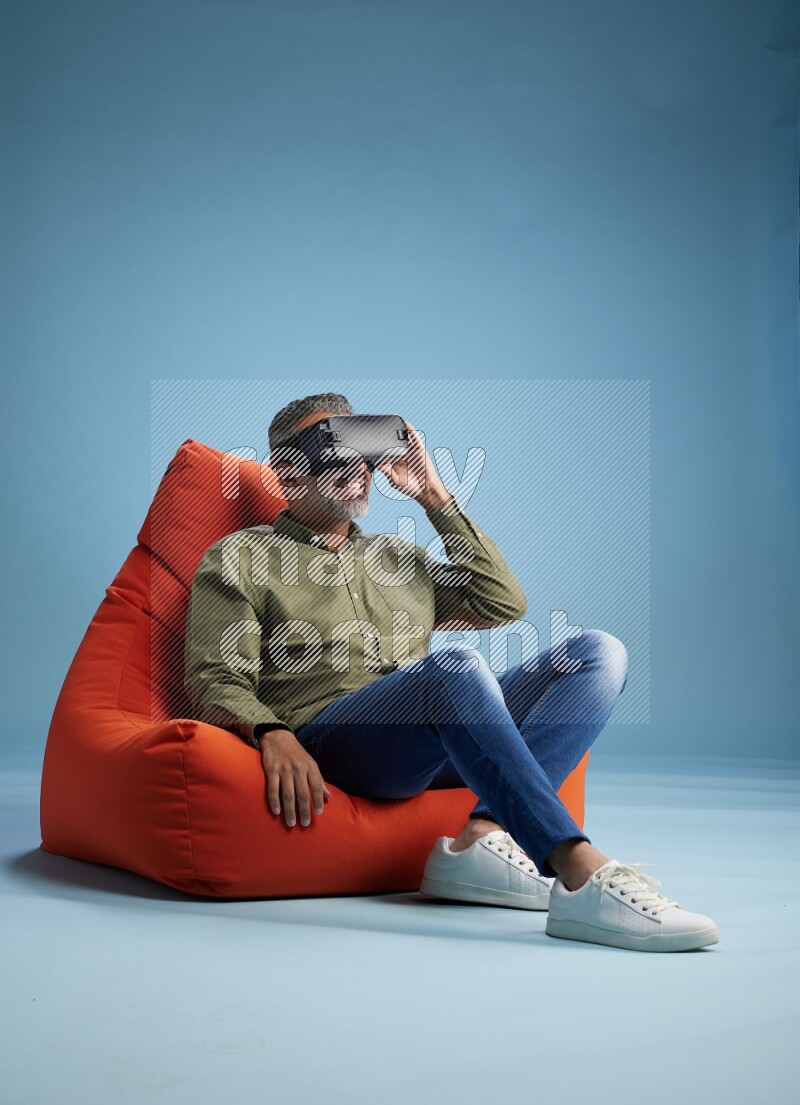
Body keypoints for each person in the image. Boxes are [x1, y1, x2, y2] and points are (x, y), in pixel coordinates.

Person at [184, 392, 719, 952]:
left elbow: (501, 601)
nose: (357, 468)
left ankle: (480, 838)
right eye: (333, 447)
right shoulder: (240, 557)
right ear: (288, 469)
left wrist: (434, 497)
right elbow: (214, 677)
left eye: (364, 448)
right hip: (337, 742)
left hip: (431, 742)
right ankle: (579, 871)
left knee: (598, 653)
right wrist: (273, 733)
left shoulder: (399, 558)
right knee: (454, 666)